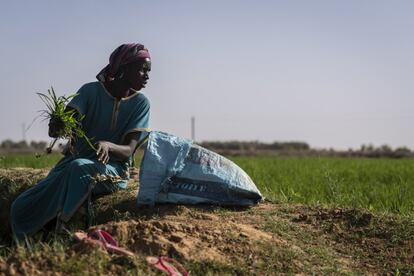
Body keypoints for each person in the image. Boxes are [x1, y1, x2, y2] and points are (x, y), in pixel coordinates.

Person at [10, 43, 151, 240]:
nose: (147, 76)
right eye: (142, 69)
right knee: (21, 206)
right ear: (124, 67)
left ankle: (65, 229)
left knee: (79, 168)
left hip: (114, 170)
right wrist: (58, 125)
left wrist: (108, 146)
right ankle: (30, 238)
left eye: (148, 70)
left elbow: (128, 150)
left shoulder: (141, 103)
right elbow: (60, 128)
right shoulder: (89, 92)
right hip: (73, 162)